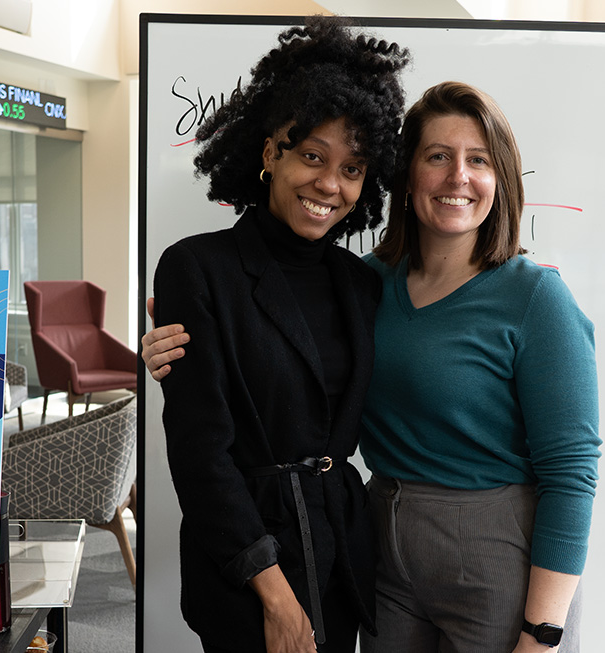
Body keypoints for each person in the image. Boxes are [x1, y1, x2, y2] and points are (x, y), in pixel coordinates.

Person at [143, 81, 601, 653]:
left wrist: (544, 634)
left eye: (478, 160)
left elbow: (573, 472)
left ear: (500, 178)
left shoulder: (531, 296)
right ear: (408, 177)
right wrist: (172, 356)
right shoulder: (372, 281)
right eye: (438, 156)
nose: (458, 176)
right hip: (380, 548)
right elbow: (240, 399)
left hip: (483, 552)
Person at [149, 16, 410, 653]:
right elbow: (200, 453)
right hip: (247, 557)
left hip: (341, 544)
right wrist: (276, 595)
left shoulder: (363, 284)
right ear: (271, 154)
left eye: (352, 169)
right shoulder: (196, 268)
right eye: (312, 157)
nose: (330, 184)